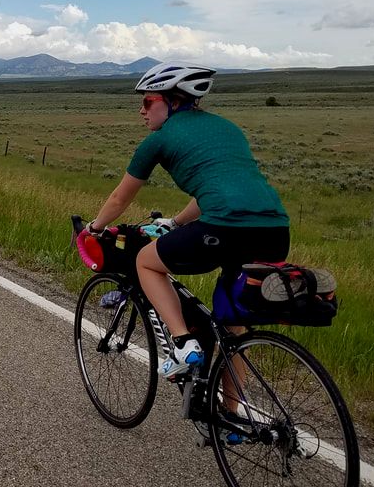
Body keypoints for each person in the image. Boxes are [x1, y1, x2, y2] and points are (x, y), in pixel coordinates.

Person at [84, 62, 290, 379]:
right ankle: (231, 423)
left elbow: (119, 199)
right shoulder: (227, 128)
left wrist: (94, 228)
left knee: (145, 262)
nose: (141, 110)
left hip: (224, 229)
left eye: (147, 101)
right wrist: (177, 222)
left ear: (174, 101)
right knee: (234, 330)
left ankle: (182, 344)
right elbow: (215, 187)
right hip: (275, 232)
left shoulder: (158, 139)